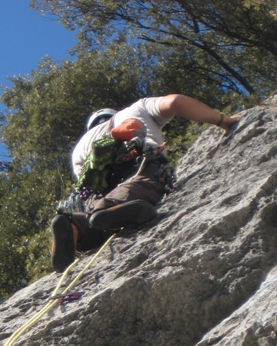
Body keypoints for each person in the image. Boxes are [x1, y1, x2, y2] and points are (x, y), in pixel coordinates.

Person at [50, 94, 240, 272]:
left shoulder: (80, 148)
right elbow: (175, 102)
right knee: (132, 190)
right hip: (141, 168)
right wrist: (222, 120)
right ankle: (110, 210)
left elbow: (88, 184)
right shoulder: (136, 109)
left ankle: (74, 226)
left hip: (99, 193)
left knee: (92, 216)